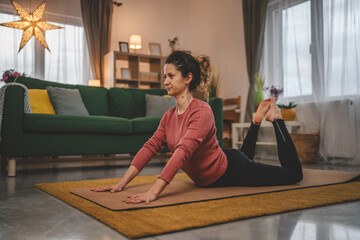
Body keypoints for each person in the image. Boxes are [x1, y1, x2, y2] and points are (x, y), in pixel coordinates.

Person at [91, 51, 303, 204]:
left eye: (171, 76)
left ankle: (276, 119)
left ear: (188, 78)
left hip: (229, 170)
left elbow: (182, 152)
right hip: (223, 162)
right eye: (165, 76)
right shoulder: (168, 116)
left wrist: (153, 192)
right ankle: (256, 122)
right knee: (244, 156)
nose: (165, 82)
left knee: (293, 175)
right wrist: (121, 183)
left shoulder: (202, 112)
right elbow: (150, 148)